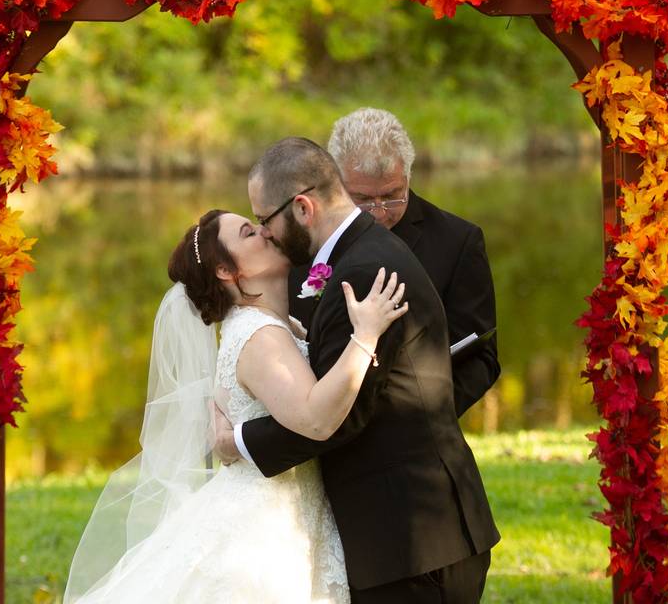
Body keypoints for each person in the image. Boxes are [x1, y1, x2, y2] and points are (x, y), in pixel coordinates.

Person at [63, 206, 409, 603]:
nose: (265, 232)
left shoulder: (277, 326)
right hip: (264, 528)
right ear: (228, 272)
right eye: (248, 233)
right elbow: (315, 420)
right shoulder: (258, 335)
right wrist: (365, 336)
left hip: (293, 509)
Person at [214, 137, 499, 604]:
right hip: (406, 537)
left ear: (302, 207)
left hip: (412, 540)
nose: (264, 233)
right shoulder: (358, 254)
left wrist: (238, 441)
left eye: (264, 220)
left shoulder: (363, 273)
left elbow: (339, 417)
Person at [292, 107, 500, 416]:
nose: (379, 212)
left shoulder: (457, 242)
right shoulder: (303, 241)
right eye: (361, 199)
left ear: (408, 174)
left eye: (393, 195)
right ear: (334, 183)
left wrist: (422, 420)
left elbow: (482, 359)